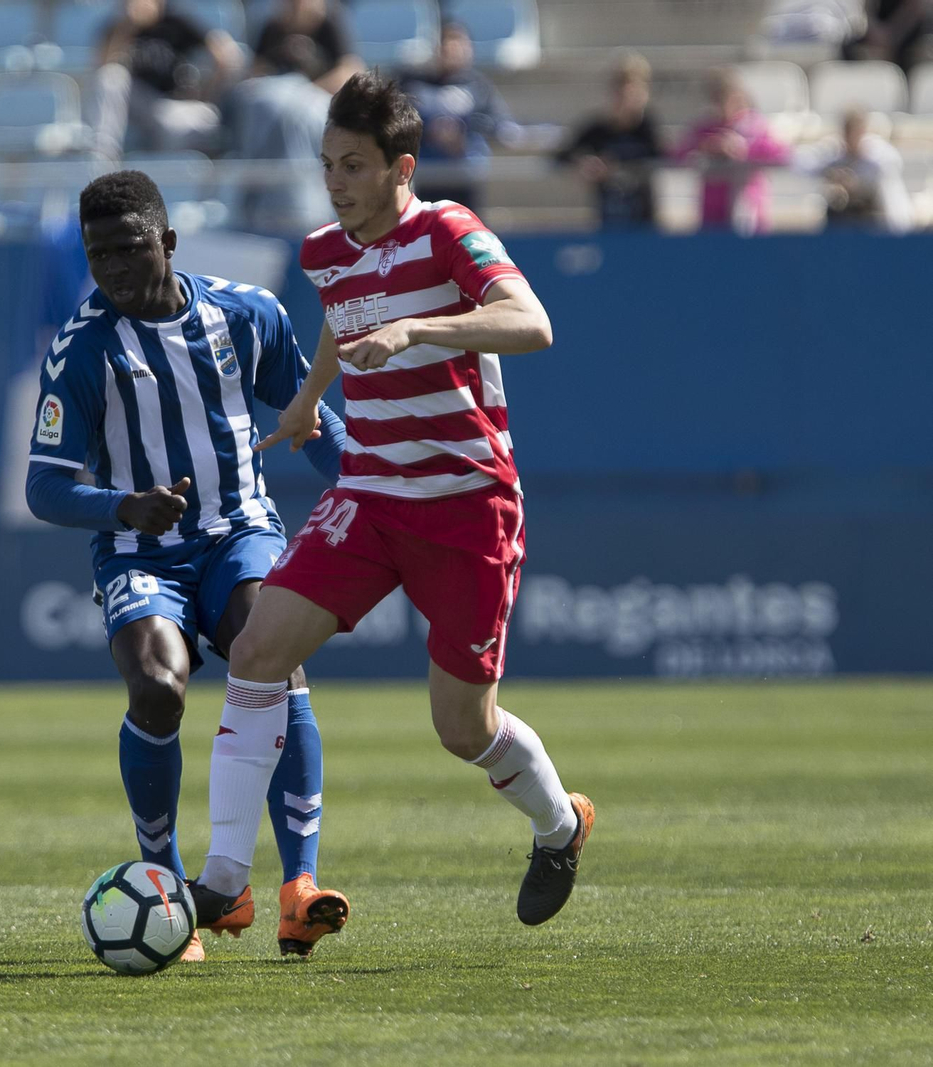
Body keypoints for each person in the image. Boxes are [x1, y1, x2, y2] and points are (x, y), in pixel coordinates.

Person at [184, 71, 595, 933]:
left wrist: (423, 329)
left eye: (355, 166)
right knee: (256, 648)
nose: (336, 181)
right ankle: (222, 877)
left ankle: (560, 826)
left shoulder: (449, 228)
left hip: (465, 503)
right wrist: (307, 400)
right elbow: (345, 308)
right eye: (329, 163)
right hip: (368, 494)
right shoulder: (324, 249)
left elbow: (533, 322)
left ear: (402, 167)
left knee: (461, 727)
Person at [25, 170, 351, 960]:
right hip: (140, 550)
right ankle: (170, 891)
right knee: (158, 686)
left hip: (239, 529)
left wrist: (367, 486)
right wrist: (122, 506)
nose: (112, 270)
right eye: (98, 255)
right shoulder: (84, 346)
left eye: (128, 249)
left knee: (267, 650)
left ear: (167, 241)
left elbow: (307, 415)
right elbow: (45, 484)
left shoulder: (246, 314)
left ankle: (298, 888)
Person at [227, 0, 361, 232]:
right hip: (274, 102)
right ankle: (261, 203)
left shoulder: (329, 24)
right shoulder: (272, 27)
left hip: (317, 101)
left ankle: (307, 208)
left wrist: (307, 92)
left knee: (297, 111)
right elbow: (255, 73)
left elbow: (349, 71)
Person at [89, 0, 242, 156]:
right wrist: (129, 26)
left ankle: (162, 175)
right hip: (137, 103)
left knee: (183, 126)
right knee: (111, 76)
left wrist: (206, 94)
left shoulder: (176, 22)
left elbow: (224, 56)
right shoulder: (120, 25)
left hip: (171, 104)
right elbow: (102, 65)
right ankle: (103, 157)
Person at [397, 21, 516, 210]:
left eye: (458, 41)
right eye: (445, 41)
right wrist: (429, 131)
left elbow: (500, 125)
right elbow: (393, 123)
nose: (451, 48)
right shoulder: (411, 84)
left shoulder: (478, 86)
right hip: (423, 176)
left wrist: (463, 131)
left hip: (465, 175)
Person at [673, 68, 790, 235]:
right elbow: (678, 154)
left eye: (729, 99)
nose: (725, 106)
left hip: (749, 212)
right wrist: (706, 146)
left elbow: (781, 153)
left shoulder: (754, 126)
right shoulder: (705, 129)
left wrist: (743, 149)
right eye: (719, 101)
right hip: (712, 213)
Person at [555, 52, 663, 229]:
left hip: (643, 217)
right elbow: (560, 156)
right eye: (620, 91)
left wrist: (617, 167)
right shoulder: (598, 128)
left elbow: (659, 159)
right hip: (608, 216)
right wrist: (585, 163)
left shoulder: (647, 128)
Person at [809, 108, 914, 232]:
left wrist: (858, 182)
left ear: (863, 131)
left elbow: (892, 166)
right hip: (844, 219)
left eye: (856, 132)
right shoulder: (834, 152)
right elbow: (805, 164)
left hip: (879, 220)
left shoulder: (878, 153)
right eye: (848, 132)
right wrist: (832, 175)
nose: (852, 137)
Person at [842, 0, 933, 71]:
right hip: (878, 36)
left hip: (909, 37)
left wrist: (891, 37)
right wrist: (878, 35)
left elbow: (916, 8)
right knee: (848, 51)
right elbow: (867, 11)